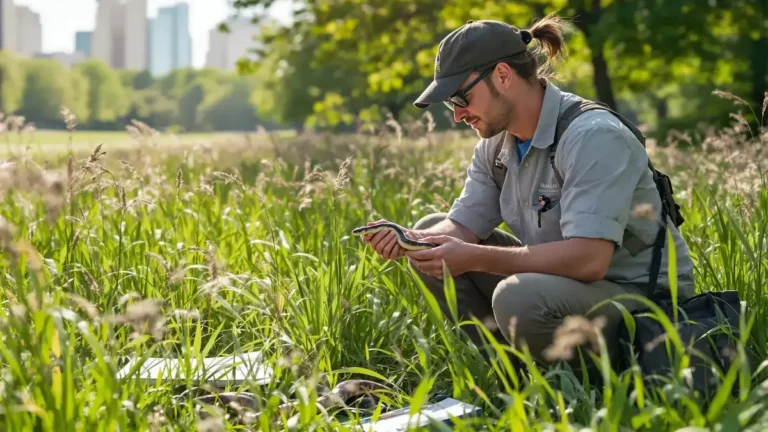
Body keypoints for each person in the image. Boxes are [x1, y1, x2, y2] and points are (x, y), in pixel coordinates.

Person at [359, 16, 696, 369]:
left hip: (641, 300)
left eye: (461, 97)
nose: (458, 115)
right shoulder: (495, 146)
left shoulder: (593, 136)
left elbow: (589, 260)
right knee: (432, 232)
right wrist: (410, 240)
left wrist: (474, 257)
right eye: (450, 104)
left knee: (517, 297)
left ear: (503, 76)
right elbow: (461, 228)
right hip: (561, 289)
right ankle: (516, 380)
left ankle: (582, 391)